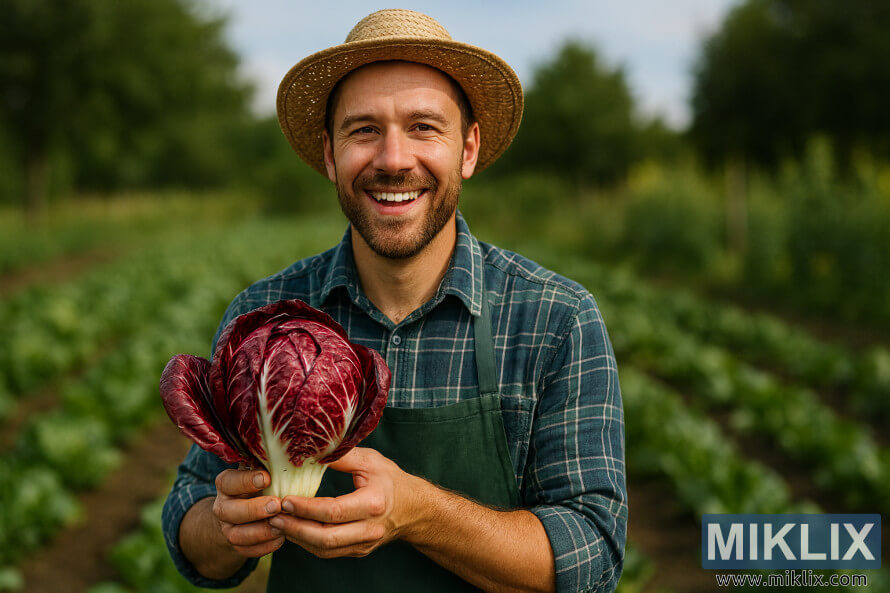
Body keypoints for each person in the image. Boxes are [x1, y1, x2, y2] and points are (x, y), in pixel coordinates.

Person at [162, 9, 626, 593]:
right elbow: (189, 523)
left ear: (469, 149)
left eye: (424, 127)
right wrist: (223, 527)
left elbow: (594, 556)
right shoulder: (266, 319)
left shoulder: (556, 320)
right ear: (330, 154)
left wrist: (420, 513)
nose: (393, 159)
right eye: (363, 130)